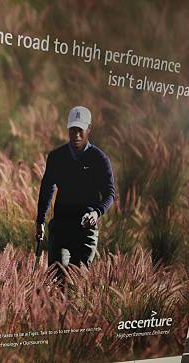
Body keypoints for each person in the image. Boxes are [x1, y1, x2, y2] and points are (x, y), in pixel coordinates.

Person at [36, 106, 115, 270]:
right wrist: (40, 220)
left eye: (80, 130)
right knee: (57, 276)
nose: (76, 135)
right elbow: (47, 188)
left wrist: (96, 212)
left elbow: (109, 193)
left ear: (89, 129)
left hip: (85, 229)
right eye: (72, 130)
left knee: (78, 280)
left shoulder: (99, 159)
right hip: (61, 227)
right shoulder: (57, 157)